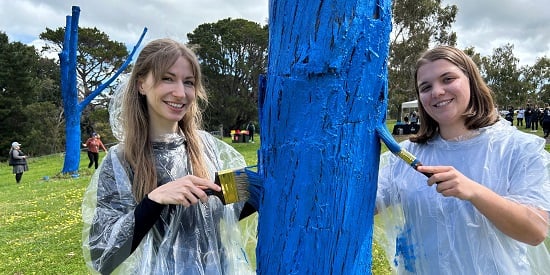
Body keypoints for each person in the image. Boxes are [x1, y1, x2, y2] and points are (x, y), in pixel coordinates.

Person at [81, 38, 255, 274]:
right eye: (167, 78)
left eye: (189, 82)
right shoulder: (120, 160)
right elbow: (102, 256)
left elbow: (234, 209)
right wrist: (153, 201)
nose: (181, 92)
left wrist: (252, 185)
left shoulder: (207, 146)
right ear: (142, 84)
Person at [375, 46, 550, 274]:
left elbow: (535, 230)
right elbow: (364, 203)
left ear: (471, 81)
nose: (436, 92)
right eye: (425, 87)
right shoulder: (407, 157)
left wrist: (474, 192)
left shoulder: (519, 149)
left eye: (448, 79)